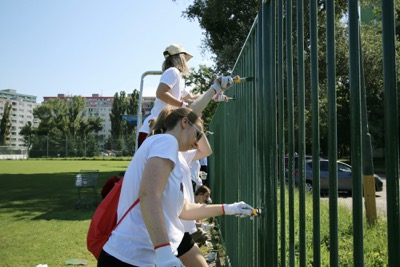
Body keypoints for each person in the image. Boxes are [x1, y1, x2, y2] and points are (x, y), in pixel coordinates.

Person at [99, 107, 254, 267]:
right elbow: (148, 194)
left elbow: (184, 209)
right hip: (130, 257)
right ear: (184, 122)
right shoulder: (166, 141)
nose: (197, 141)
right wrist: (164, 252)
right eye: (198, 134)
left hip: (138, 255)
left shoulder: (171, 154)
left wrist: (230, 208)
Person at [137, 43, 235, 148]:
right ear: (180, 57)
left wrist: (213, 95)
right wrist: (181, 104)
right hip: (154, 128)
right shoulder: (173, 72)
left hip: (161, 127)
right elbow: (161, 93)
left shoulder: (176, 75)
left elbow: (192, 98)